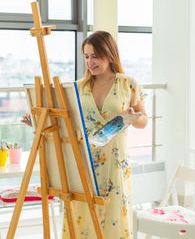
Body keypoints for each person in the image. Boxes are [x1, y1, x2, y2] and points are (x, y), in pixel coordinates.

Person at [22, 31, 147, 238]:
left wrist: (134, 117)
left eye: (95, 56)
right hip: (83, 162)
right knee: (81, 216)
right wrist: (39, 122)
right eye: (87, 57)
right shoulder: (78, 88)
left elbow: (144, 121)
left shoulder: (128, 83)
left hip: (115, 162)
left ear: (109, 54)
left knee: (114, 216)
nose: (90, 62)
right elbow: (65, 123)